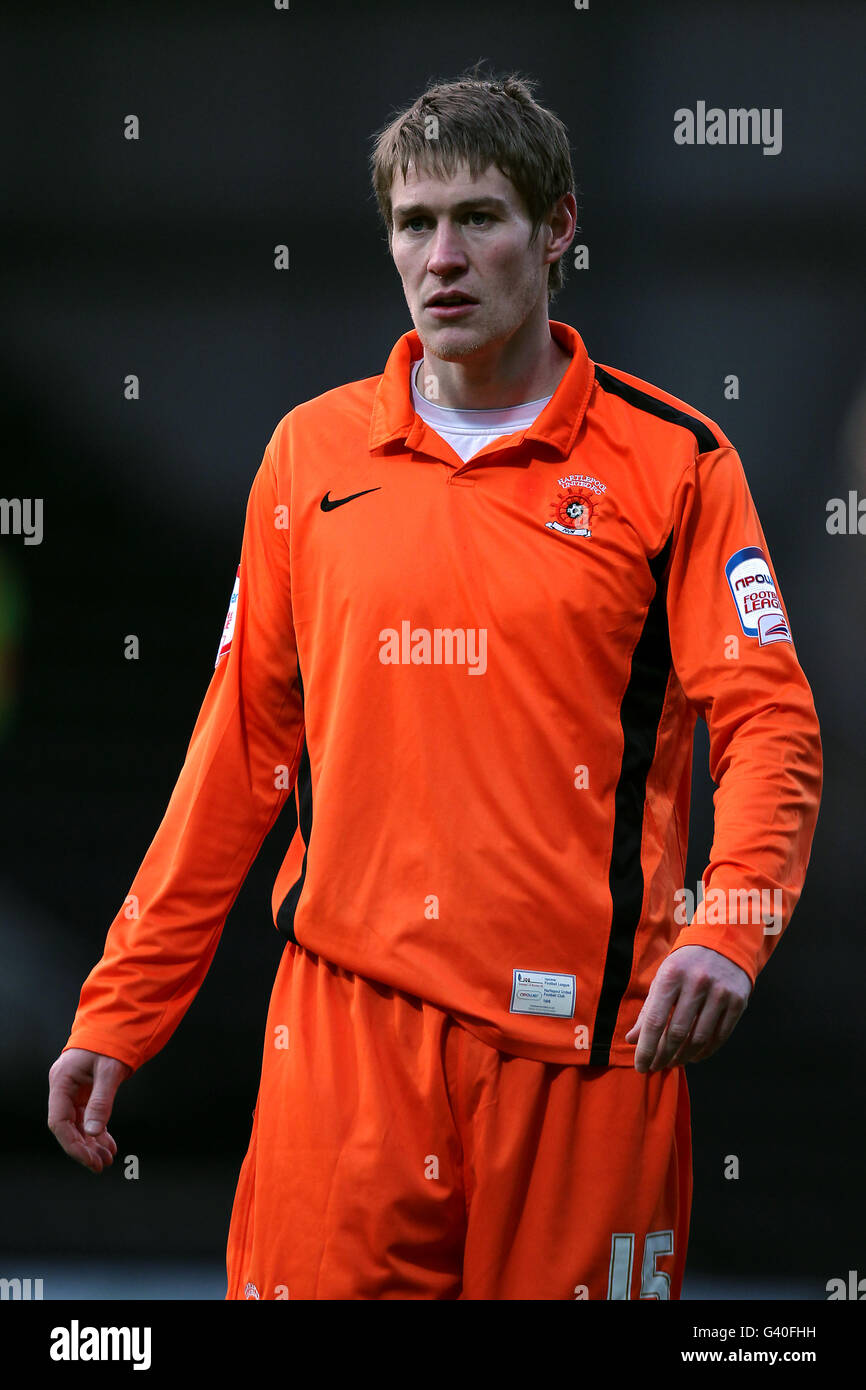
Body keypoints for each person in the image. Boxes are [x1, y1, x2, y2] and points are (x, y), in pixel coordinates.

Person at [48, 68, 822, 1300]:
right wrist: (118, 1012)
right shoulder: (310, 456)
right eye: (415, 224)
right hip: (345, 1039)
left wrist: (731, 925)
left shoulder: (674, 463)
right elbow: (240, 754)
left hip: (585, 1058)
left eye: (479, 219)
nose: (442, 257)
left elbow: (768, 721)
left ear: (556, 227)